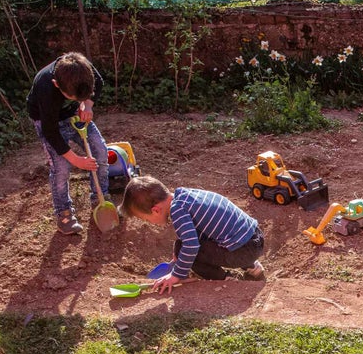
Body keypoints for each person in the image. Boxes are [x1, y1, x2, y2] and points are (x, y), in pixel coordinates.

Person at [26, 52, 122, 235]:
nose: (77, 100)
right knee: (61, 167)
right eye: (73, 98)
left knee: (100, 150)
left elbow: (98, 83)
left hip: (74, 115)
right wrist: (75, 159)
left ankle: (100, 198)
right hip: (47, 121)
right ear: (57, 85)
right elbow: (50, 132)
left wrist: (87, 104)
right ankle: (64, 213)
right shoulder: (46, 86)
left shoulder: (81, 68)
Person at [121, 176, 265, 291]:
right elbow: (203, 230)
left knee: (191, 255)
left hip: (243, 250)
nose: (149, 222)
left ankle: (225, 279)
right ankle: (253, 267)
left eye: (146, 219)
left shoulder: (177, 211)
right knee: (182, 247)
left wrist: (176, 275)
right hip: (254, 238)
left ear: (156, 210)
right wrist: (179, 255)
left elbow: (191, 246)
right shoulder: (184, 195)